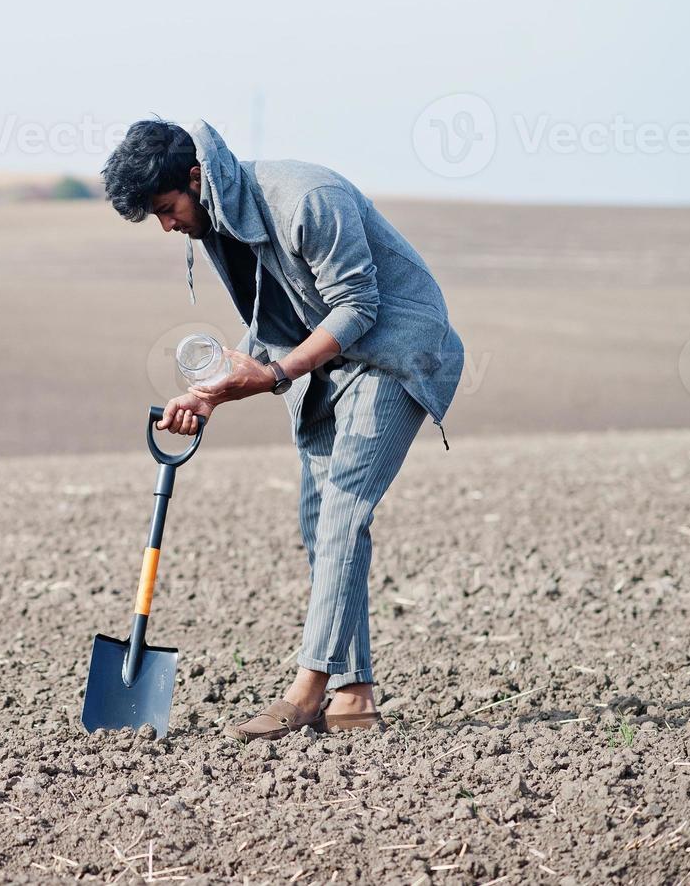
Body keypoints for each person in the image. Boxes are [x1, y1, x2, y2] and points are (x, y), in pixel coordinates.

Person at [101, 119, 464, 741]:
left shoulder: (305, 199)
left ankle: (307, 688)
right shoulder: (221, 222)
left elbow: (358, 306)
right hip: (327, 368)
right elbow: (275, 322)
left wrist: (272, 377)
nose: (167, 226)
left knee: (346, 508)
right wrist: (207, 393)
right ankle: (354, 696)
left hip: (396, 352)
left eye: (166, 209)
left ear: (196, 178)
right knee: (318, 521)